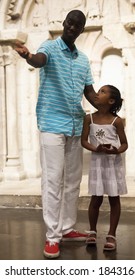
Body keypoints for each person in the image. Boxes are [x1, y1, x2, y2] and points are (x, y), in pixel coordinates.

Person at [15, 10, 96, 258]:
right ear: (64, 23)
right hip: (52, 124)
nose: (72, 27)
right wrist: (28, 55)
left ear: (82, 30)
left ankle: (67, 227)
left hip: (75, 125)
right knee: (52, 180)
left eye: (78, 25)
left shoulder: (83, 60)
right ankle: (52, 236)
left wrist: (110, 105)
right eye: (70, 23)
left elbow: (90, 93)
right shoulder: (48, 48)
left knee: (73, 181)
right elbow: (39, 60)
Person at [81, 84, 128, 251]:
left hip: (112, 164)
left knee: (114, 198)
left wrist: (115, 151)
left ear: (111, 100)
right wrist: (96, 149)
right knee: (96, 198)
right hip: (97, 163)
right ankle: (92, 231)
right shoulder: (89, 119)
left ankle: (111, 235)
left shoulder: (117, 121)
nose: (97, 93)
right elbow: (84, 140)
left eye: (102, 91)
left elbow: (124, 144)